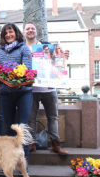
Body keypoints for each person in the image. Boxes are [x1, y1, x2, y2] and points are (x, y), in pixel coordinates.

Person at [24, 22, 68, 155]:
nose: (30, 30)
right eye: (28, 29)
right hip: (31, 88)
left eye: (33, 28)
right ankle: (31, 143)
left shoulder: (47, 46)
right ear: (24, 32)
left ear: (36, 32)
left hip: (49, 88)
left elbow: (56, 63)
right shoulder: (22, 48)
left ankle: (55, 144)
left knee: (53, 117)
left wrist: (63, 58)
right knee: (31, 118)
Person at [0, 23, 33, 170]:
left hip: (23, 93)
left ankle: (23, 161)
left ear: (16, 33)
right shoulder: (0, 51)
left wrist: (17, 79)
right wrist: (0, 79)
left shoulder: (23, 48)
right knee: (9, 127)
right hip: (6, 94)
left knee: (22, 127)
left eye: (11, 32)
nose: (8, 35)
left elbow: (27, 68)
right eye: (6, 33)